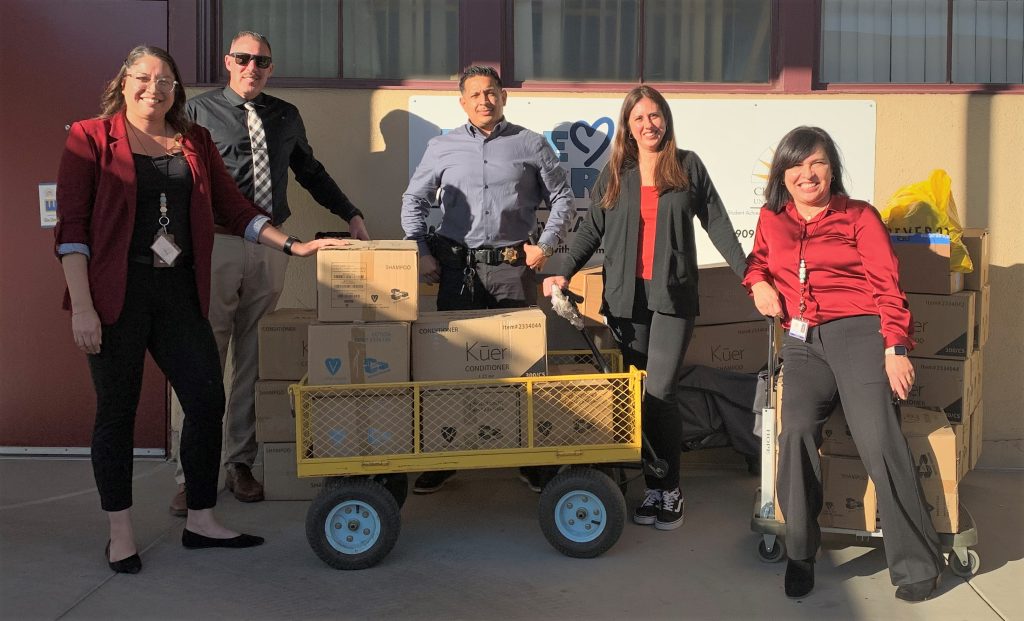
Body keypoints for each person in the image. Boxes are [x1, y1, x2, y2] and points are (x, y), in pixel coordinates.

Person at [54, 45, 344, 572]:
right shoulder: (90, 138)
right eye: (143, 78)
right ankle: (120, 532)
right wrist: (82, 308)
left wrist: (294, 246)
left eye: (165, 80)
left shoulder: (195, 139)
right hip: (115, 296)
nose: (154, 88)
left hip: (179, 294)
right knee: (117, 414)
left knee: (207, 400)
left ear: (177, 90)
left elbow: (235, 209)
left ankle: (202, 519)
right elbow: (71, 228)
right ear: (124, 83)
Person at [166, 31, 370, 514]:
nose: (252, 66)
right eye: (244, 58)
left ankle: (241, 463)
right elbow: (177, 179)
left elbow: (310, 172)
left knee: (256, 360)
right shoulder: (197, 112)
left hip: (271, 246)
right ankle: (192, 470)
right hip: (215, 244)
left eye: (262, 61)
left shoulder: (285, 115)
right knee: (204, 358)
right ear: (227, 63)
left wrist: (351, 213)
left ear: (270, 68)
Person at [743, 126, 944, 601]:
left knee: (879, 439)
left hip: (860, 335)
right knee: (794, 433)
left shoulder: (859, 216)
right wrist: (758, 283)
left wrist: (895, 348)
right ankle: (800, 553)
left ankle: (917, 563)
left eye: (816, 163)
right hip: (802, 341)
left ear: (831, 167)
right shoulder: (773, 220)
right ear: (783, 175)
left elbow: (887, 286)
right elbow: (758, 262)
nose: (806, 174)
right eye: (796, 166)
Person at [543, 85, 747, 531]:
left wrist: (751, 275)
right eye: (639, 118)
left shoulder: (687, 166)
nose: (648, 125)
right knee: (635, 395)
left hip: (672, 297)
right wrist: (563, 270)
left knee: (661, 392)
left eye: (655, 116)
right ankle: (651, 486)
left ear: (666, 119)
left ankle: (668, 487)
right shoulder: (617, 171)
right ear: (627, 127)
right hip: (625, 300)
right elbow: (590, 230)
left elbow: (718, 223)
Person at [401, 65, 575, 494]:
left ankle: (529, 457)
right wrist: (421, 252)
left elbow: (564, 197)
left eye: (491, 92)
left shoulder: (530, 144)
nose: (484, 100)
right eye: (475, 94)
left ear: (503, 98)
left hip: (512, 270)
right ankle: (445, 455)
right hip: (456, 270)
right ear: (462, 102)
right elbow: (414, 201)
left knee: (521, 366)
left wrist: (546, 244)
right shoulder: (441, 147)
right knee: (450, 366)